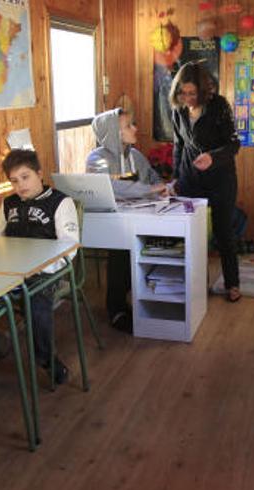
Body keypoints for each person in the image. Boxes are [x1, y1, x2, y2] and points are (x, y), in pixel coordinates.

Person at [0, 148, 79, 384]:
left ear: (40, 174)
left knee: (35, 299)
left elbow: (70, 248)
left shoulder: (61, 202)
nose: (20, 186)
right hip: (13, 272)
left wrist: (41, 269)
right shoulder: (8, 204)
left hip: (48, 273)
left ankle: (47, 360)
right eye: (14, 181)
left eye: (25, 177)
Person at [86, 108, 166, 332]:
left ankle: (142, 299)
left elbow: (153, 179)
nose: (135, 129)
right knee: (121, 249)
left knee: (153, 245)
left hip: (135, 219)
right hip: (107, 224)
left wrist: (162, 189)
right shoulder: (96, 159)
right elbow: (112, 187)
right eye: (129, 125)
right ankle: (117, 308)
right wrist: (149, 189)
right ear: (113, 132)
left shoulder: (136, 156)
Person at [168, 61, 242, 302]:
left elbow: (234, 144)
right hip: (191, 180)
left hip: (221, 179)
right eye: (183, 93)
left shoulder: (218, 105)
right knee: (191, 233)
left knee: (223, 234)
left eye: (192, 93)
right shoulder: (178, 110)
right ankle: (197, 283)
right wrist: (175, 178)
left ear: (202, 91)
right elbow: (178, 145)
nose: (187, 98)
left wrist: (213, 157)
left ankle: (232, 283)